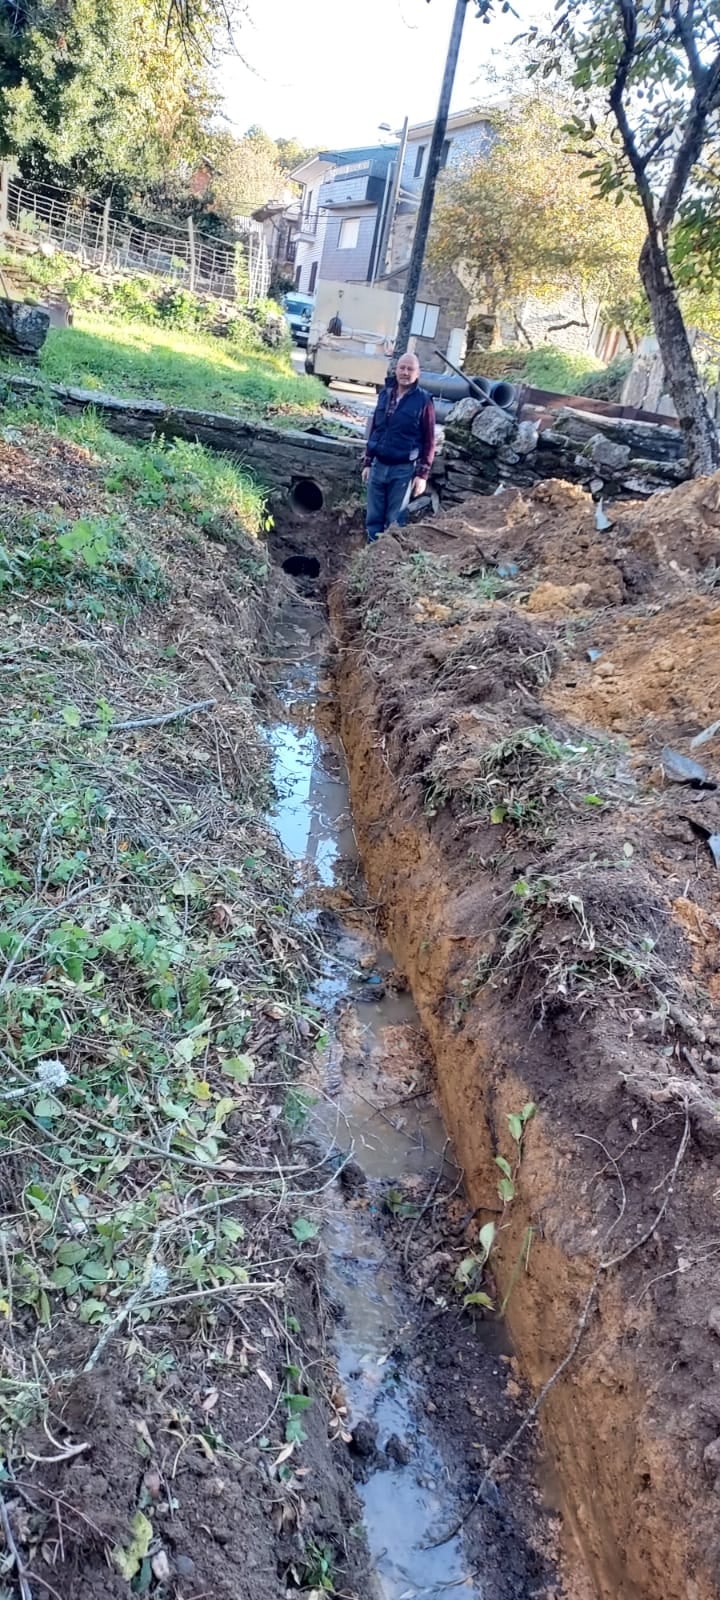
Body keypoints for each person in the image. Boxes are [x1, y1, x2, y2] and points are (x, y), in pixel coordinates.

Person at [362, 351, 436, 543]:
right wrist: (368, 461)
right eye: (402, 368)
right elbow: (376, 430)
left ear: (418, 373)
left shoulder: (424, 401)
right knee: (373, 518)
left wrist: (422, 475)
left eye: (410, 369)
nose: (405, 372)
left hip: (403, 470)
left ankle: (388, 561)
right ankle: (369, 558)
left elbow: (429, 440)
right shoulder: (385, 395)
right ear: (396, 370)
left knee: (395, 520)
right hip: (378, 466)